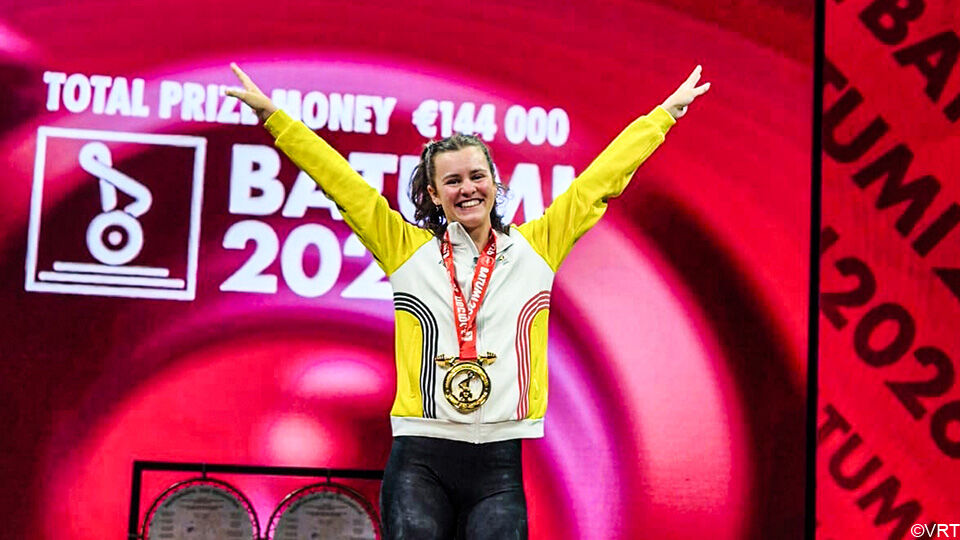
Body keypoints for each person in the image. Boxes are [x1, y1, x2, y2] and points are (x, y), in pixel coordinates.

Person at [227, 63, 709, 540]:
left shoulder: (537, 249)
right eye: (452, 181)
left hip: (498, 467)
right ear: (434, 194)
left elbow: (599, 182)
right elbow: (341, 184)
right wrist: (275, 118)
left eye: (477, 176)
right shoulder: (406, 250)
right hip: (419, 463)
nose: (468, 189)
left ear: (495, 184)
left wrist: (662, 117)